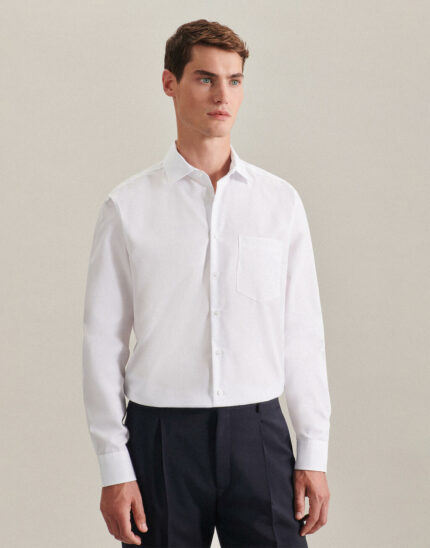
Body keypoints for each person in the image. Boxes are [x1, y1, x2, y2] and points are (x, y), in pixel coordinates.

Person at [82, 18, 331, 547]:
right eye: (205, 78)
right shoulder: (127, 208)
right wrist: (113, 465)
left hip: (258, 433)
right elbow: (103, 343)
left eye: (234, 80)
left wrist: (313, 451)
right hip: (161, 438)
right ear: (169, 83)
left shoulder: (279, 204)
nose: (223, 95)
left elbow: (302, 333)